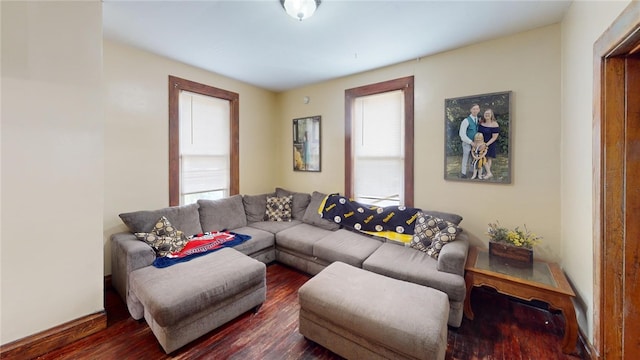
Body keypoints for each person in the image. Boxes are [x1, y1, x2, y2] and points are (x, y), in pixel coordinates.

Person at [458, 104, 480, 178]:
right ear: (471, 110)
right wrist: (471, 142)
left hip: (476, 143)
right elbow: (462, 134)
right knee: (466, 157)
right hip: (467, 142)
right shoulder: (466, 120)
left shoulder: (478, 120)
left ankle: (472, 171)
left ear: (479, 110)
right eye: (473, 109)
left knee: (473, 157)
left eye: (477, 109)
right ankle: (463, 173)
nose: (475, 110)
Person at [478, 108, 500, 179]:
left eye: (488, 114)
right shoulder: (481, 122)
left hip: (490, 143)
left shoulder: (494, 124)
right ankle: (487, 173)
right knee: (483, 157)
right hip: (480, 143)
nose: (487, 115)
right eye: (485, 114)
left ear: (491, 115)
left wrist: (486, 145)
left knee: (488, 158)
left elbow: (494, 137)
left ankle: (488, 173)